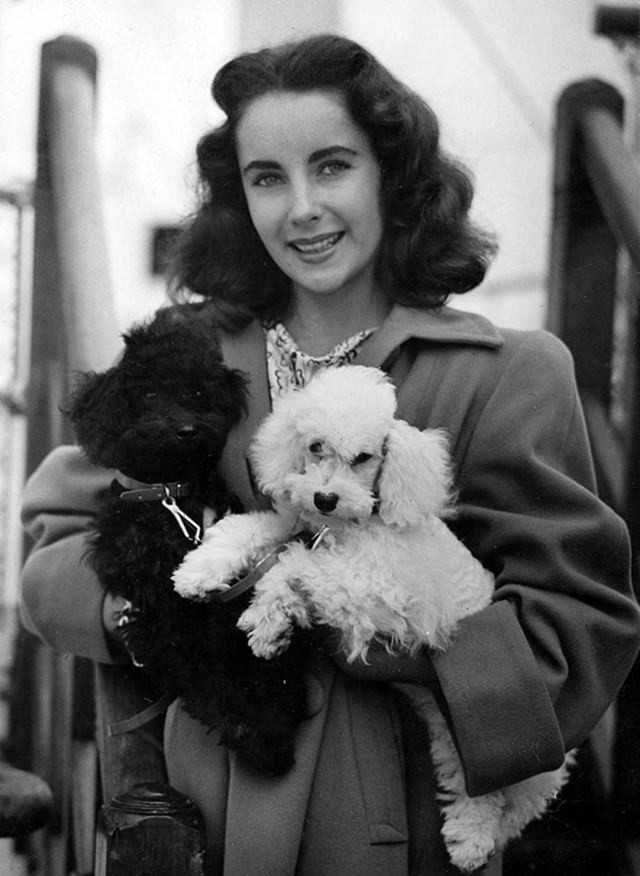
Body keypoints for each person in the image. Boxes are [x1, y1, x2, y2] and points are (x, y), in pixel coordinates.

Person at [20, 33, 640, 876]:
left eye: (333, 166)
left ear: (393, 173)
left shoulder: (512, 373)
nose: (301, 207)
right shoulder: (191, 354)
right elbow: (56, 540)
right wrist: (149, 615)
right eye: (267, 177)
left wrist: (372, 626)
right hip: (202, 810)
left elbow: (580, 622)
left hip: (400, 820)